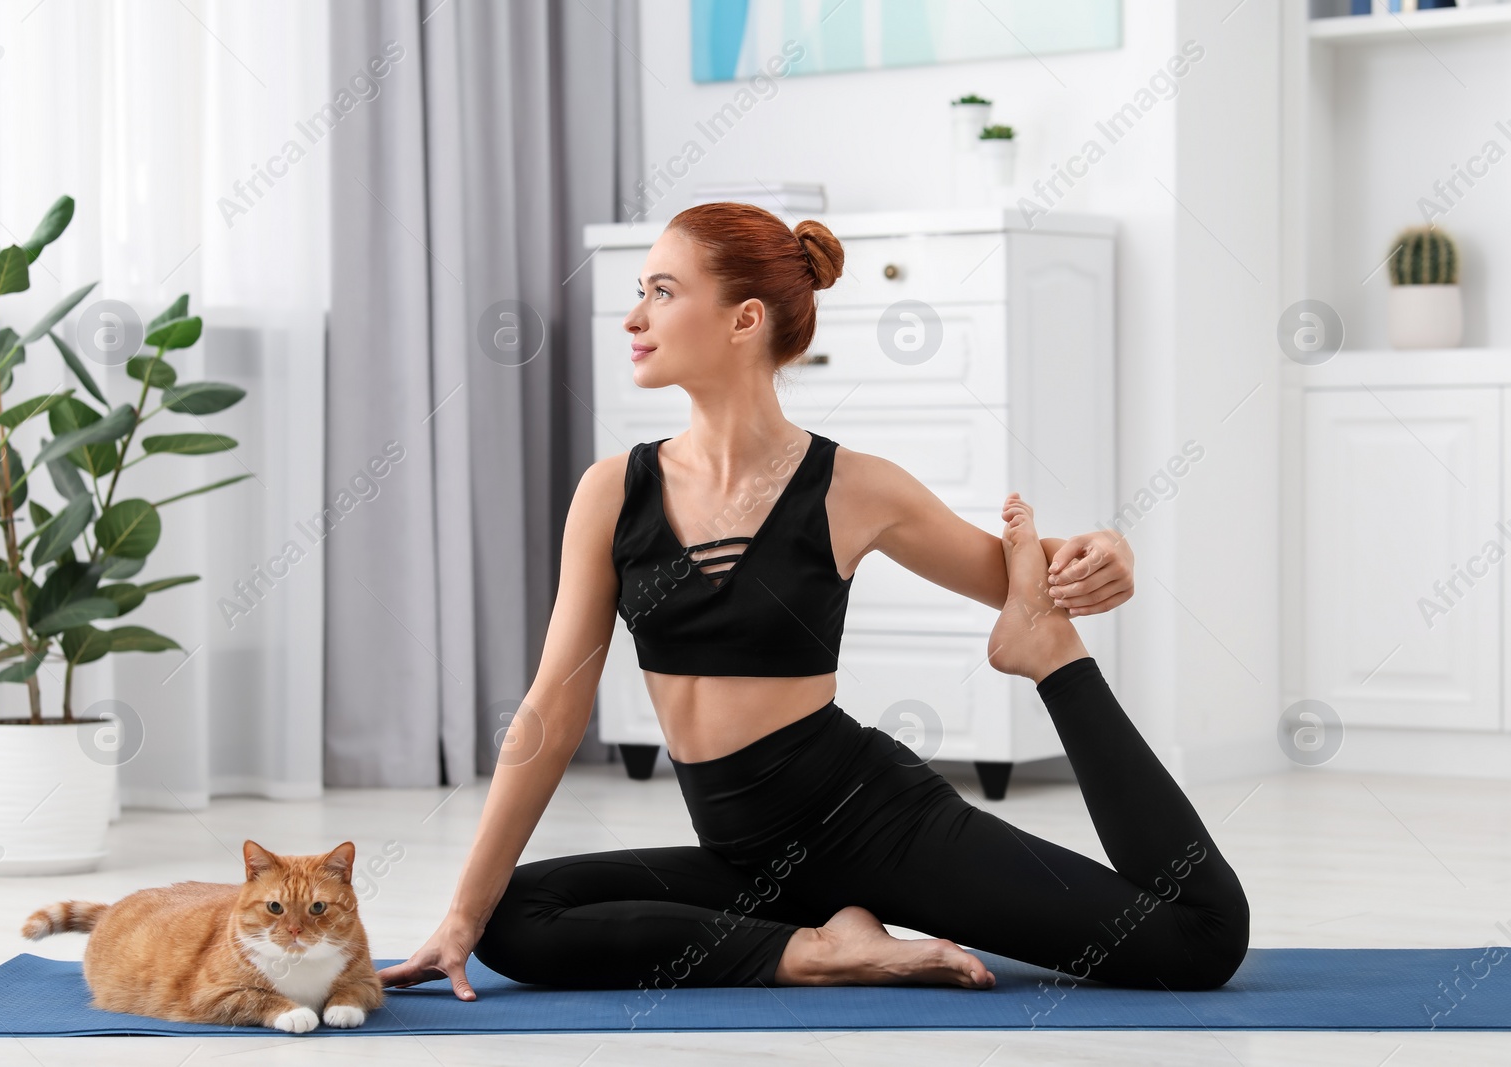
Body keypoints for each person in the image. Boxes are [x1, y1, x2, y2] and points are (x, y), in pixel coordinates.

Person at [377, 202, 1249, 1001]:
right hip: (745, 858)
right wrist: (459, 911)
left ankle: (1048, 662)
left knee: (1199, 940)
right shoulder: (613, 493)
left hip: (879, 827)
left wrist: (1109, 548)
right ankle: (822, 948)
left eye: (663, 291)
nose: (633, 317)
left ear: (744, 319)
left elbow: (1025, 575)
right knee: (510, 918)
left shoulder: (853, 487)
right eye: (638, 292)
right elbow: (552, 708)